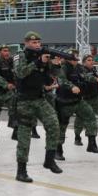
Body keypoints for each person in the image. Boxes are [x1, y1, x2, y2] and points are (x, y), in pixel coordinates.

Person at [12, 31, 61, 182]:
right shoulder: (20, 56)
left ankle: (49, 159)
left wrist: (54, 65)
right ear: (26, 43)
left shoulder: (42, 58)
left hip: (40, 98)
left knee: (53, 124)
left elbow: (49, 80)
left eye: (39, 42)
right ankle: (21, 171)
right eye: (33, 42)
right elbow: (20, 73)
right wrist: (38, 62)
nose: (37, 45)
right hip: (24, 101)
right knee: (24, 137)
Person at [53, 53, 93, 159]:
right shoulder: (62, 68)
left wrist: (94, 79)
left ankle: (92, 143)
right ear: (69, 59)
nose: (76, 60)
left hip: (77, 100)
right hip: (64, 101)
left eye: (77, 58)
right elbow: (62, 80)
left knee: (90, 115)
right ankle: (58, 149)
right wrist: (72, 87)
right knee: (62, 126)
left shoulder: (79, 68)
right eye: (73, 58)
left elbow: (87, 76)